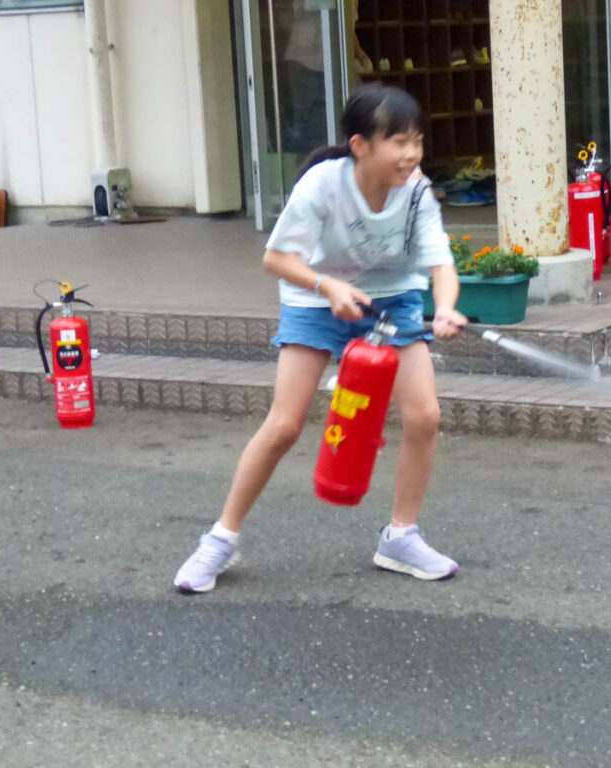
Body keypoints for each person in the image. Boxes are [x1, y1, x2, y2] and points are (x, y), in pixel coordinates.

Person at [174, 84, 467, 592]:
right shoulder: (321, 185)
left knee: (425, 416)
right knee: (285, 425)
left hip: (392, 300)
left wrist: (443, 308)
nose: (411, 154)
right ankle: (220, 540)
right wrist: (326, 283)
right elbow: (275, 259)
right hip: (315, 298)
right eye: (398, 142)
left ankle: (401, 536)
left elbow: (440, 261)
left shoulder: (417, 191)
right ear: (361, 145)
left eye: (416, 141)